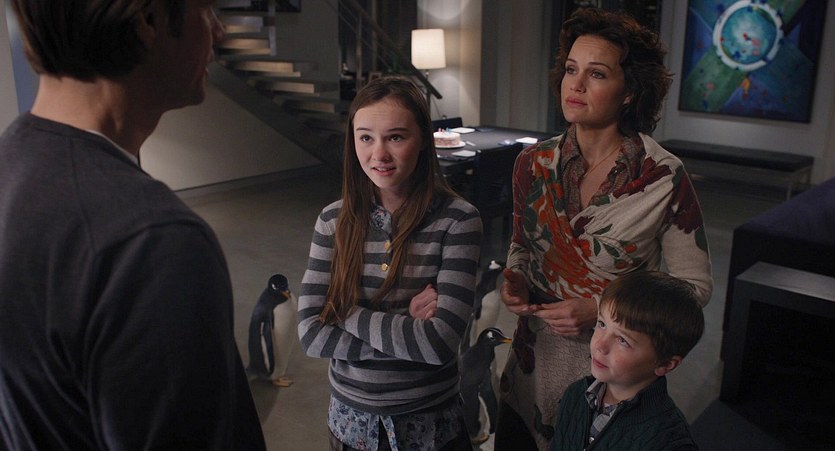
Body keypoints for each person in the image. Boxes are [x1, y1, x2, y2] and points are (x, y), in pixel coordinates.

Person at [0, 1, 266, 449]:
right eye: (207, 11)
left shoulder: (10, 164)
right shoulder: (152, 242)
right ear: (149, 20)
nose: (219, 32)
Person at [494, 7, 713, 450]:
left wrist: (598, 308)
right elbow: (522, 245)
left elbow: (693, 289)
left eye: (596, 74)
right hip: (529, 369)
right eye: (570, 69)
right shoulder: (532, 163)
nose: (575, 85)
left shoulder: (662, 177)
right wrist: (514, 278)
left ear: (629, 91)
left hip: (610, 380)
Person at [297, 76, 482, 450]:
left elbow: (439, 344)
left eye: (395, 137)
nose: (378, 154)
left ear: (423, 140)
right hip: (350, 427)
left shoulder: (458, 221)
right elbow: (312, 336)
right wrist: (406, 330)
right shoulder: (333, 221)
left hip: (431, 429)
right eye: (366, 138)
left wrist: (343, 311)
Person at [549, 271, 704, 450]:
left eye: (622, 340)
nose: (599, 345)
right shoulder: (575, 395)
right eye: (602, 324)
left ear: (665, 364)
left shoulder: (669, 442)